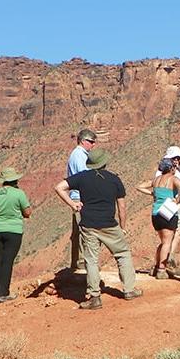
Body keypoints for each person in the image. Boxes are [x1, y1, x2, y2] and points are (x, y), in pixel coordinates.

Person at [55, 149, 142, 309]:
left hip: (88, 225)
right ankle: (129, 290)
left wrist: (72, 204)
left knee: (91, 260)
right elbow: (122, 207)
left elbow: (59, 187)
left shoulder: (81, 177)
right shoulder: (114, 179)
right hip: (109, 224)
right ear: (104, 163)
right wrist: (122, 227)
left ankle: (94, 297)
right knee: (122, 254)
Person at [0, 167, 32, 303]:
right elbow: (27, 212)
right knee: (7, 261)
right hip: (14, 231)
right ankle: (3, 293)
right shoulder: (19, 194)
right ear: (15, 180)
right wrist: (16, 213)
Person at [137, 158, 180, 279]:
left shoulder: (156, 180)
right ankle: (161, 270)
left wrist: (152, 193)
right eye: (174, 167)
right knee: (167, 243)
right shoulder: (172, 179)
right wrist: (178, 198)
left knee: (163, 242)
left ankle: (157, 266)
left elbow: (139, 186)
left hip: (155, 214)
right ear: (171, 168)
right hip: (167, 212)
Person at [66, 129, 97, 272]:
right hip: (80, 197)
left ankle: (76, 261)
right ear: (83, 141)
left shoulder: (78, 154)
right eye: (91, 142)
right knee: (84, 229)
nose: (93, 145)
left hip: (77, 196)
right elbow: (83, 176)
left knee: (78, 231)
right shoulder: (79, 155)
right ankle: (84, 261)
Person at [158, 146, 180, 274]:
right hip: (172, 205)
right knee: (176, 231)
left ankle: (159, 265)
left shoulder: (173, 171)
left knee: (167, 236)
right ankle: (168, 260)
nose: (177, 160)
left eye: (178, 158)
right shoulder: (170, 172)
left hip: (164, 205)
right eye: (175, 158)